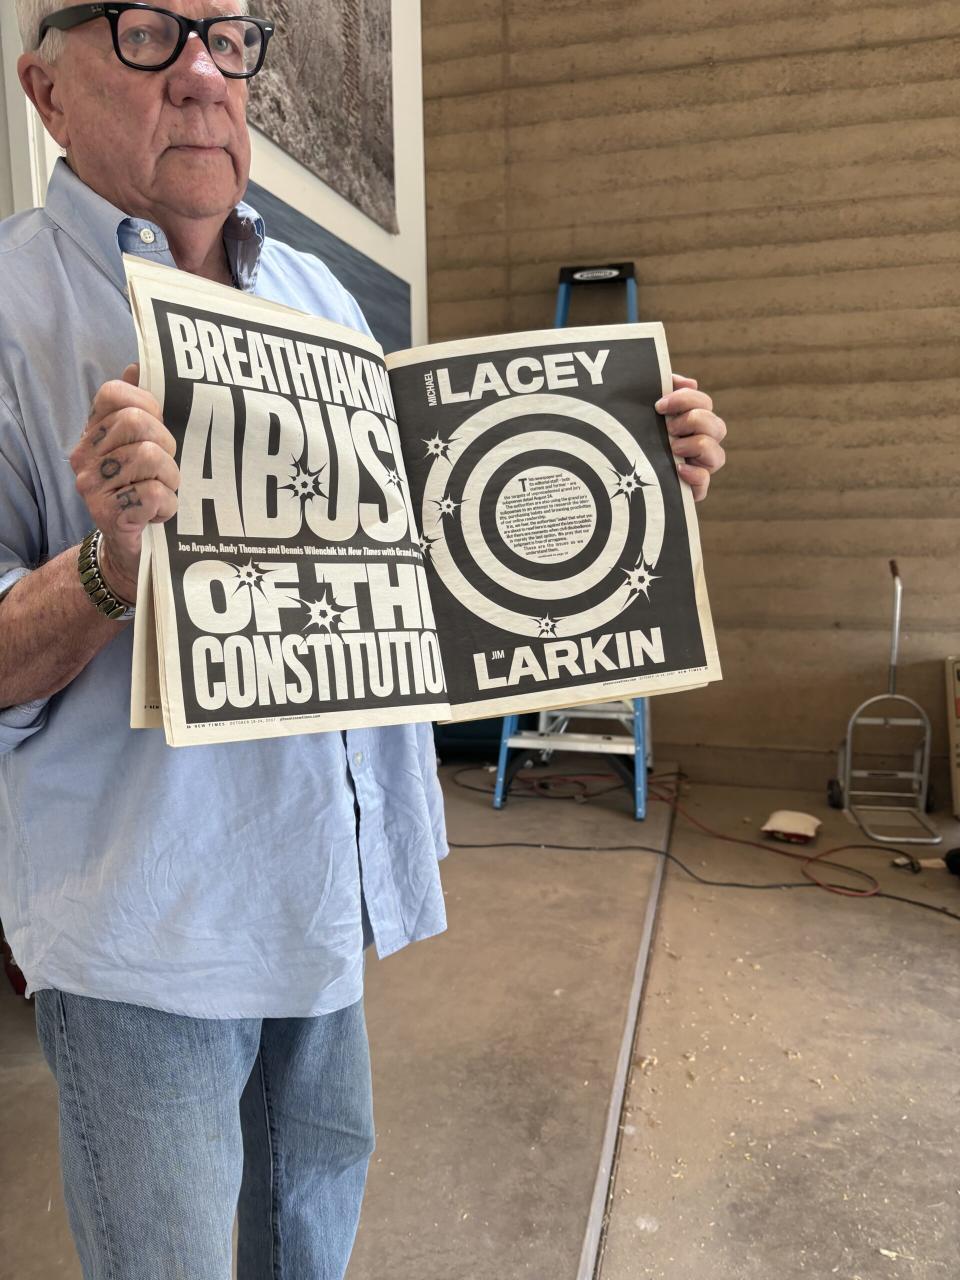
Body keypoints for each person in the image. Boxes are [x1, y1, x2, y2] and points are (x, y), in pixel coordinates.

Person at [0, 2, 729, 1277]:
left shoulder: (316, 290)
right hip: (147, 934)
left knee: (311, 1247)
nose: (201, 77)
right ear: (44, 89)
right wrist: (113, 566)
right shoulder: (11, 312)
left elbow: (431, 568)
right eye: (147, 33)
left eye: (229, 40)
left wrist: (633, 482)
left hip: (322, 896)